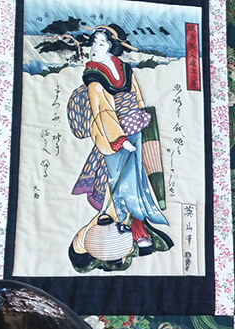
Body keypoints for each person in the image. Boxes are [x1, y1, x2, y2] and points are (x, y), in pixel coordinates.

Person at [68, 24, 171, 270]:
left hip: (133, 128)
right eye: (93, 43)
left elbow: (135, 95)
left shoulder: (123, 68)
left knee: (136, 183)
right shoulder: (94, 76)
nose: (95, 48)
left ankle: (135, 233)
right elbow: (102, 111)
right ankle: (91, 243)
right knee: (120, 189)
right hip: (111, 138)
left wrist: (140, 121)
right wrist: (118, 139)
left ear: (112, 47)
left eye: (101, 44)